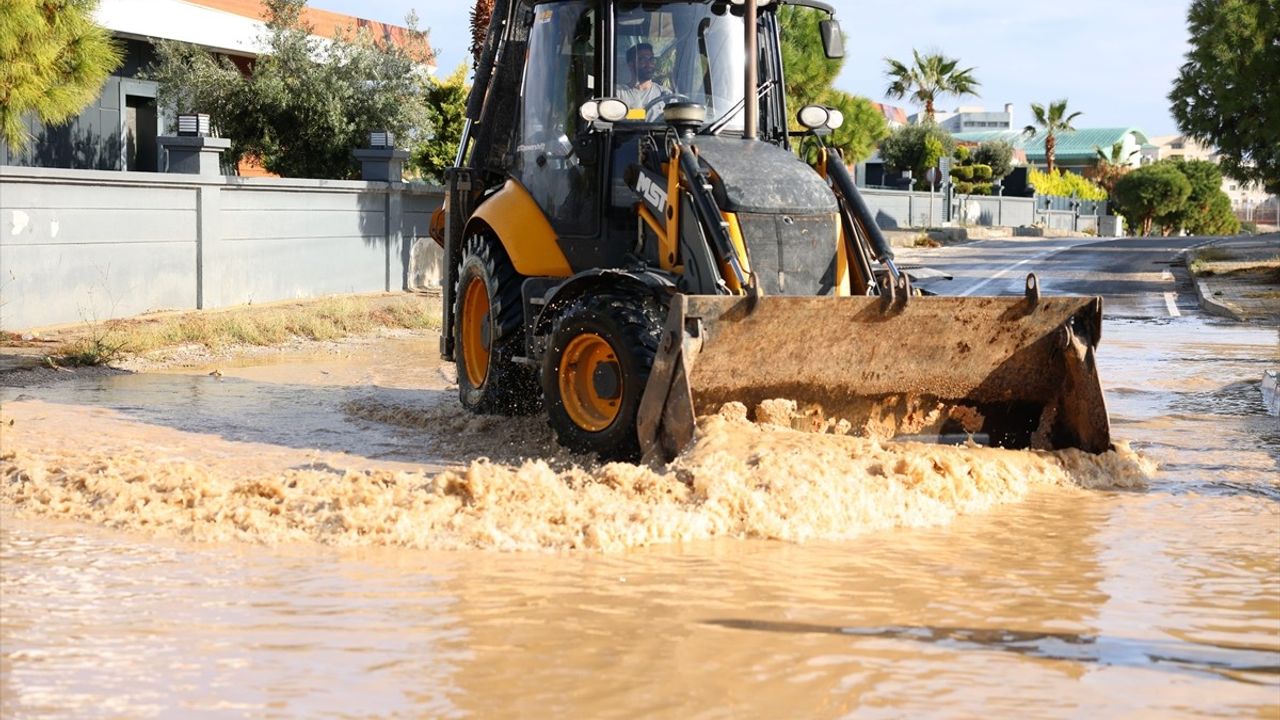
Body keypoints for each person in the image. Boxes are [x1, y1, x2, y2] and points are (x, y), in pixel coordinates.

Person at [617, 43, 671, 120]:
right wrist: (647, 113)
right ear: (631, 64)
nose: (649, 64)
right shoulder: (619, 93)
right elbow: (614, 116)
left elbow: (676, 117)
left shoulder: (665, 94)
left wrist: (630, 113)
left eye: (651, 59)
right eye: (642, 59)